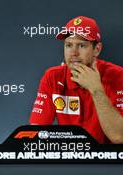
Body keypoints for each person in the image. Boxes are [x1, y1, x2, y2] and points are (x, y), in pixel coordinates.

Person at [29, 16, 123, 144]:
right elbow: (36, 133)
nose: (73, 53)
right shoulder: (53, 77)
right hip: (70, 159)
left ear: (97, 49)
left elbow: (119, 137)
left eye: (81, 45)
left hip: (108, 161)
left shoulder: (118, 76)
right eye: (68, 45)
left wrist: (96, 90)